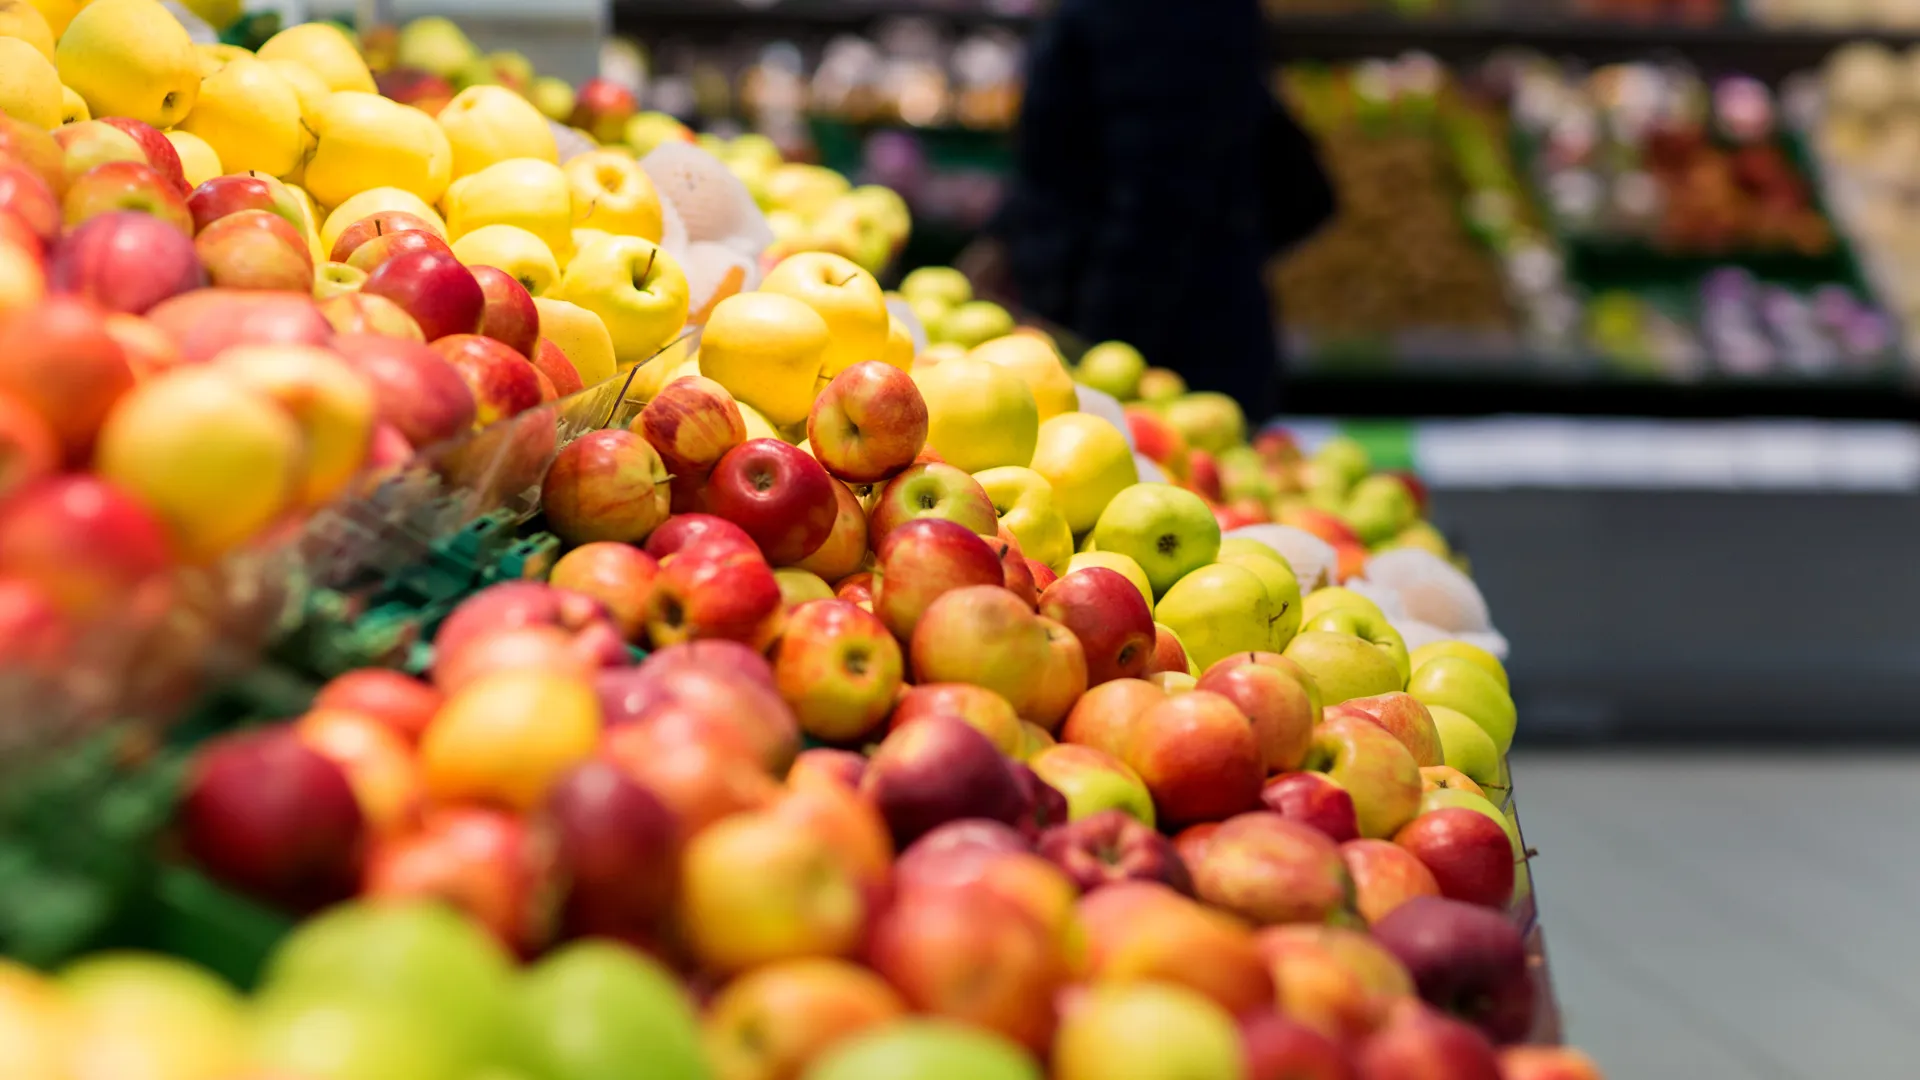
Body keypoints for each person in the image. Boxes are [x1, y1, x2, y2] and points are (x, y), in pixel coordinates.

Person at [984, 0, 1334, 419]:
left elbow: (1161, 199)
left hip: (1173, 351)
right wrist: (1002, 238)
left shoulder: (1156, 16)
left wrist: (1097, 355)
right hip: (1167, 328)